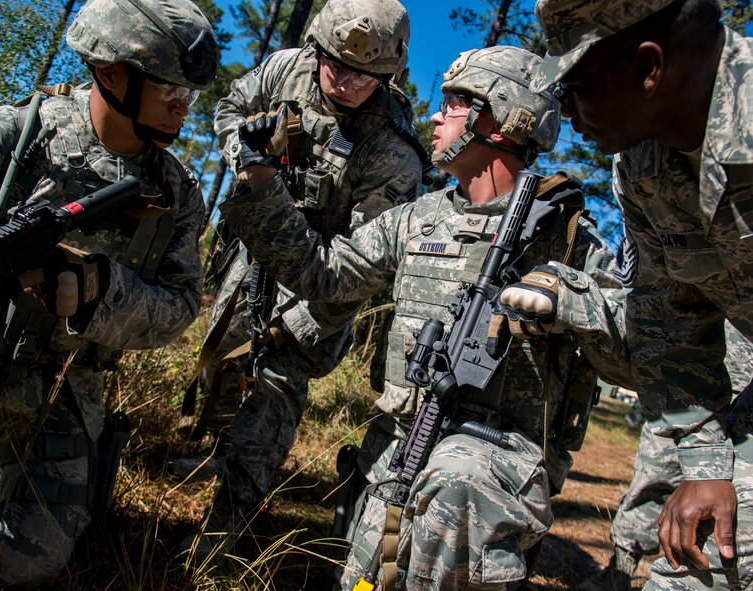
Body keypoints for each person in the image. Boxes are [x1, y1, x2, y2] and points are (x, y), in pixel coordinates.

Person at [218, 45, 632, 590]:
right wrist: (261, 182)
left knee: (456, 489)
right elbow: (325, 274)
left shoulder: (567, 235)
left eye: (455, 104)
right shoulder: (420, 218)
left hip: (489, 469)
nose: (435, 118)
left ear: (501, 121)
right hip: (401, 451)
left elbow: (637, 349)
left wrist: (570, 300)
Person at [525, 0, 753, 588]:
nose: (563, 111)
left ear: (648, 68)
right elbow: (671, 321)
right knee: (700, 560)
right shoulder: (642, 169)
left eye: (573, 88)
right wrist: (707, 463)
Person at [0, 0, 219, 585]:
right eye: (169, 89)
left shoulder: (175, 194)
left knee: (31, 560)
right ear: (111, 74)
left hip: (64, 377)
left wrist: (102, 290)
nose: (182, 107)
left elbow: (180, 307)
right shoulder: (13, 137)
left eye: (189, 94)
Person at [176, 0, 425, 564]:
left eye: (365, 76)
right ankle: (215, 455)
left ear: (389, 76)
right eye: (336, 65)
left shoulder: (393, 153)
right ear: (317, 49)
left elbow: (356, 269)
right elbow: (231, 107)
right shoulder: (287, 68)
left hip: (323, 281)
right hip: (256, 250)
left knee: (273, 386)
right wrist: (244, 151)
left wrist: (298, 321)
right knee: (223, 355)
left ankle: (228, 522)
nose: (346, 83)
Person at [580, 323, 753, 591]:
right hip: (693, 378)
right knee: (655, 474)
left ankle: (713, 578)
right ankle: (620, 568)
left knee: (742, 496)